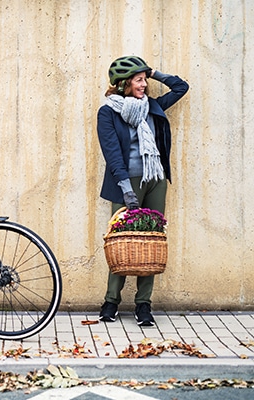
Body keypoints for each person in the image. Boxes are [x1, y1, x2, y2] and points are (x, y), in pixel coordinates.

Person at [96, 55, 189, 326]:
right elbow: (112, 152)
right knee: (121, 239)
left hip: (155, 178)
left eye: (144, 79)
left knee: (152, 239)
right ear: (124, 83)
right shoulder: (109, 112)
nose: (144, 84)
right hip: (128, 181)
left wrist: (154, 71)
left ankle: (143, 304)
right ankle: (111, 301)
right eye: (138, 80)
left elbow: (181, 87)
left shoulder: (153, 106)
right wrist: (126, 189)